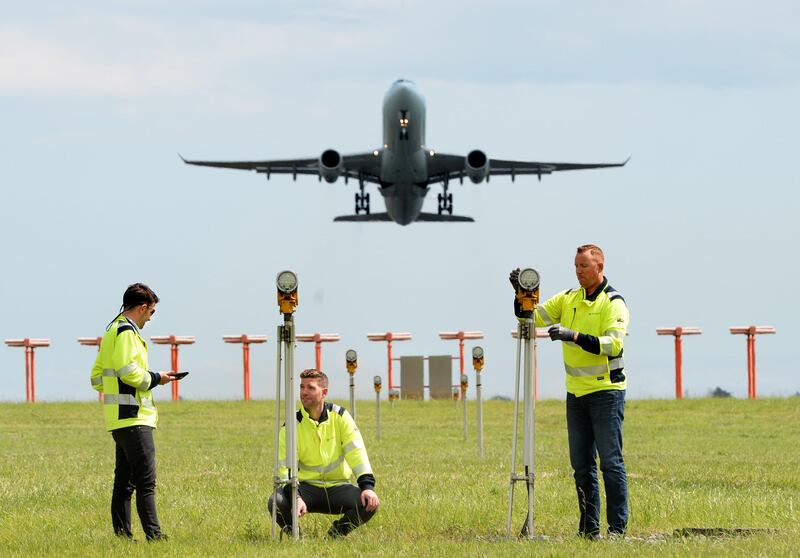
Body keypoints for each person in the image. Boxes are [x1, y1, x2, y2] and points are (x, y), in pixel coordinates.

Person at [510, 244, 630, 539]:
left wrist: (573, 335)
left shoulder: (613, 303)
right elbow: (532, 318)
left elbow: (613, 345)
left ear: (600, 267)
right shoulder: (569, 298)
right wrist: (521, 295)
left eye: (584, 267)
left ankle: (617, 529)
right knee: (581, 467)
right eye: (576, 266)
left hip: (606, 393)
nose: (578, 272)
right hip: (576, 395)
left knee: (611, 463)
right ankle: (589, 529)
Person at [90, 283, 180, 541]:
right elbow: (129, 371)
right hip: (136, 416)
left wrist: (115, 387)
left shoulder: (110, 333)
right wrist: (156, 378)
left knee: (124, 483)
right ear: (142, 308)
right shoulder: (128, 333)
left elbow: (96, 378)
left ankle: (122, 537)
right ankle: (155, 535)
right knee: (146, 482)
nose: (150, 318)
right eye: (151, 312)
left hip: (118, 418)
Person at [269, 369, 380, 538]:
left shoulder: (341, 417)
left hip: (338, 487)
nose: (304, 392)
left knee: (369, 502)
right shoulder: (291, 425)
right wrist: (296, 497)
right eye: (302, 387)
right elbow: (286, 469)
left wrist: (367, 487)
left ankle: (335, 535)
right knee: (276, 502)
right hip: (306, 489)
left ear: (324, 393)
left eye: (311, 388)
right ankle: (297, 537)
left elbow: (357, 453)